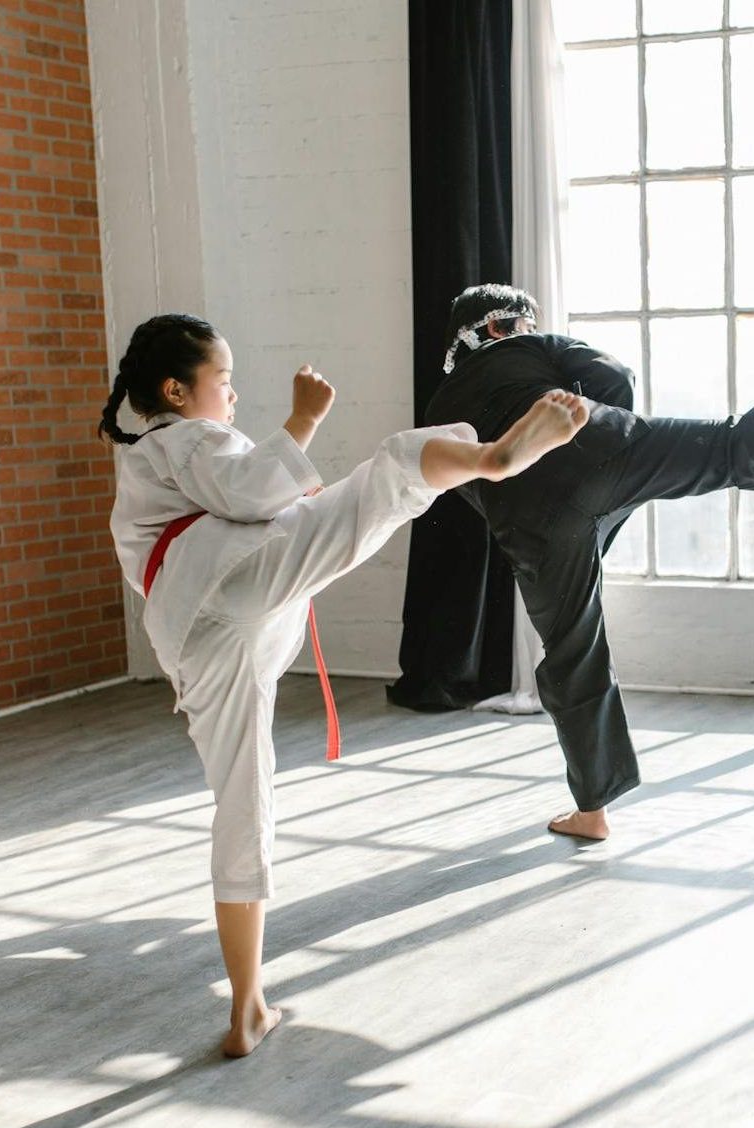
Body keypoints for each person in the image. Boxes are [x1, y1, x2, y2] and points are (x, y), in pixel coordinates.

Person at [100, 313, 587, 1057]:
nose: (232, 399)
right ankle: (490, 458)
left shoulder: (140, 468)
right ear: (174, 389)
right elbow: (253, 489)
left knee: (243, 798)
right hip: (236, 584)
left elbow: (228, 510)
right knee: (393, 466)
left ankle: (248, 1006)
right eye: (223, 383)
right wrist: (302, 418)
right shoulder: (181, 438)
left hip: (193, 636)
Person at [426, 283, 754, 842]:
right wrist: (613, 453)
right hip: (599, 446)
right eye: (522, 325)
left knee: (574, 651)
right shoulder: (532, 348)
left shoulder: (440, 406)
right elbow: (615, 377)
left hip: (530, 521)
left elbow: (462, 482)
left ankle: (593, 811)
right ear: (503, 327)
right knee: (722, 446)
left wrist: (543, 529)